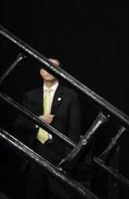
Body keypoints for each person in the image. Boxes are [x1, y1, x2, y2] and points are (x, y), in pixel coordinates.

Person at [14, 58, 81, 199]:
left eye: (53, 67)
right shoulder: (30, 95)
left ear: (59, 72)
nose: (48, 70)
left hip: (59, 155)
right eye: (45, 66)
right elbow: (18, 123)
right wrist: (37, 121)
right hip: (35, 153)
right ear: (40, 71)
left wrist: (69, 161)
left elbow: (74, 131)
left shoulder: (70, 96)